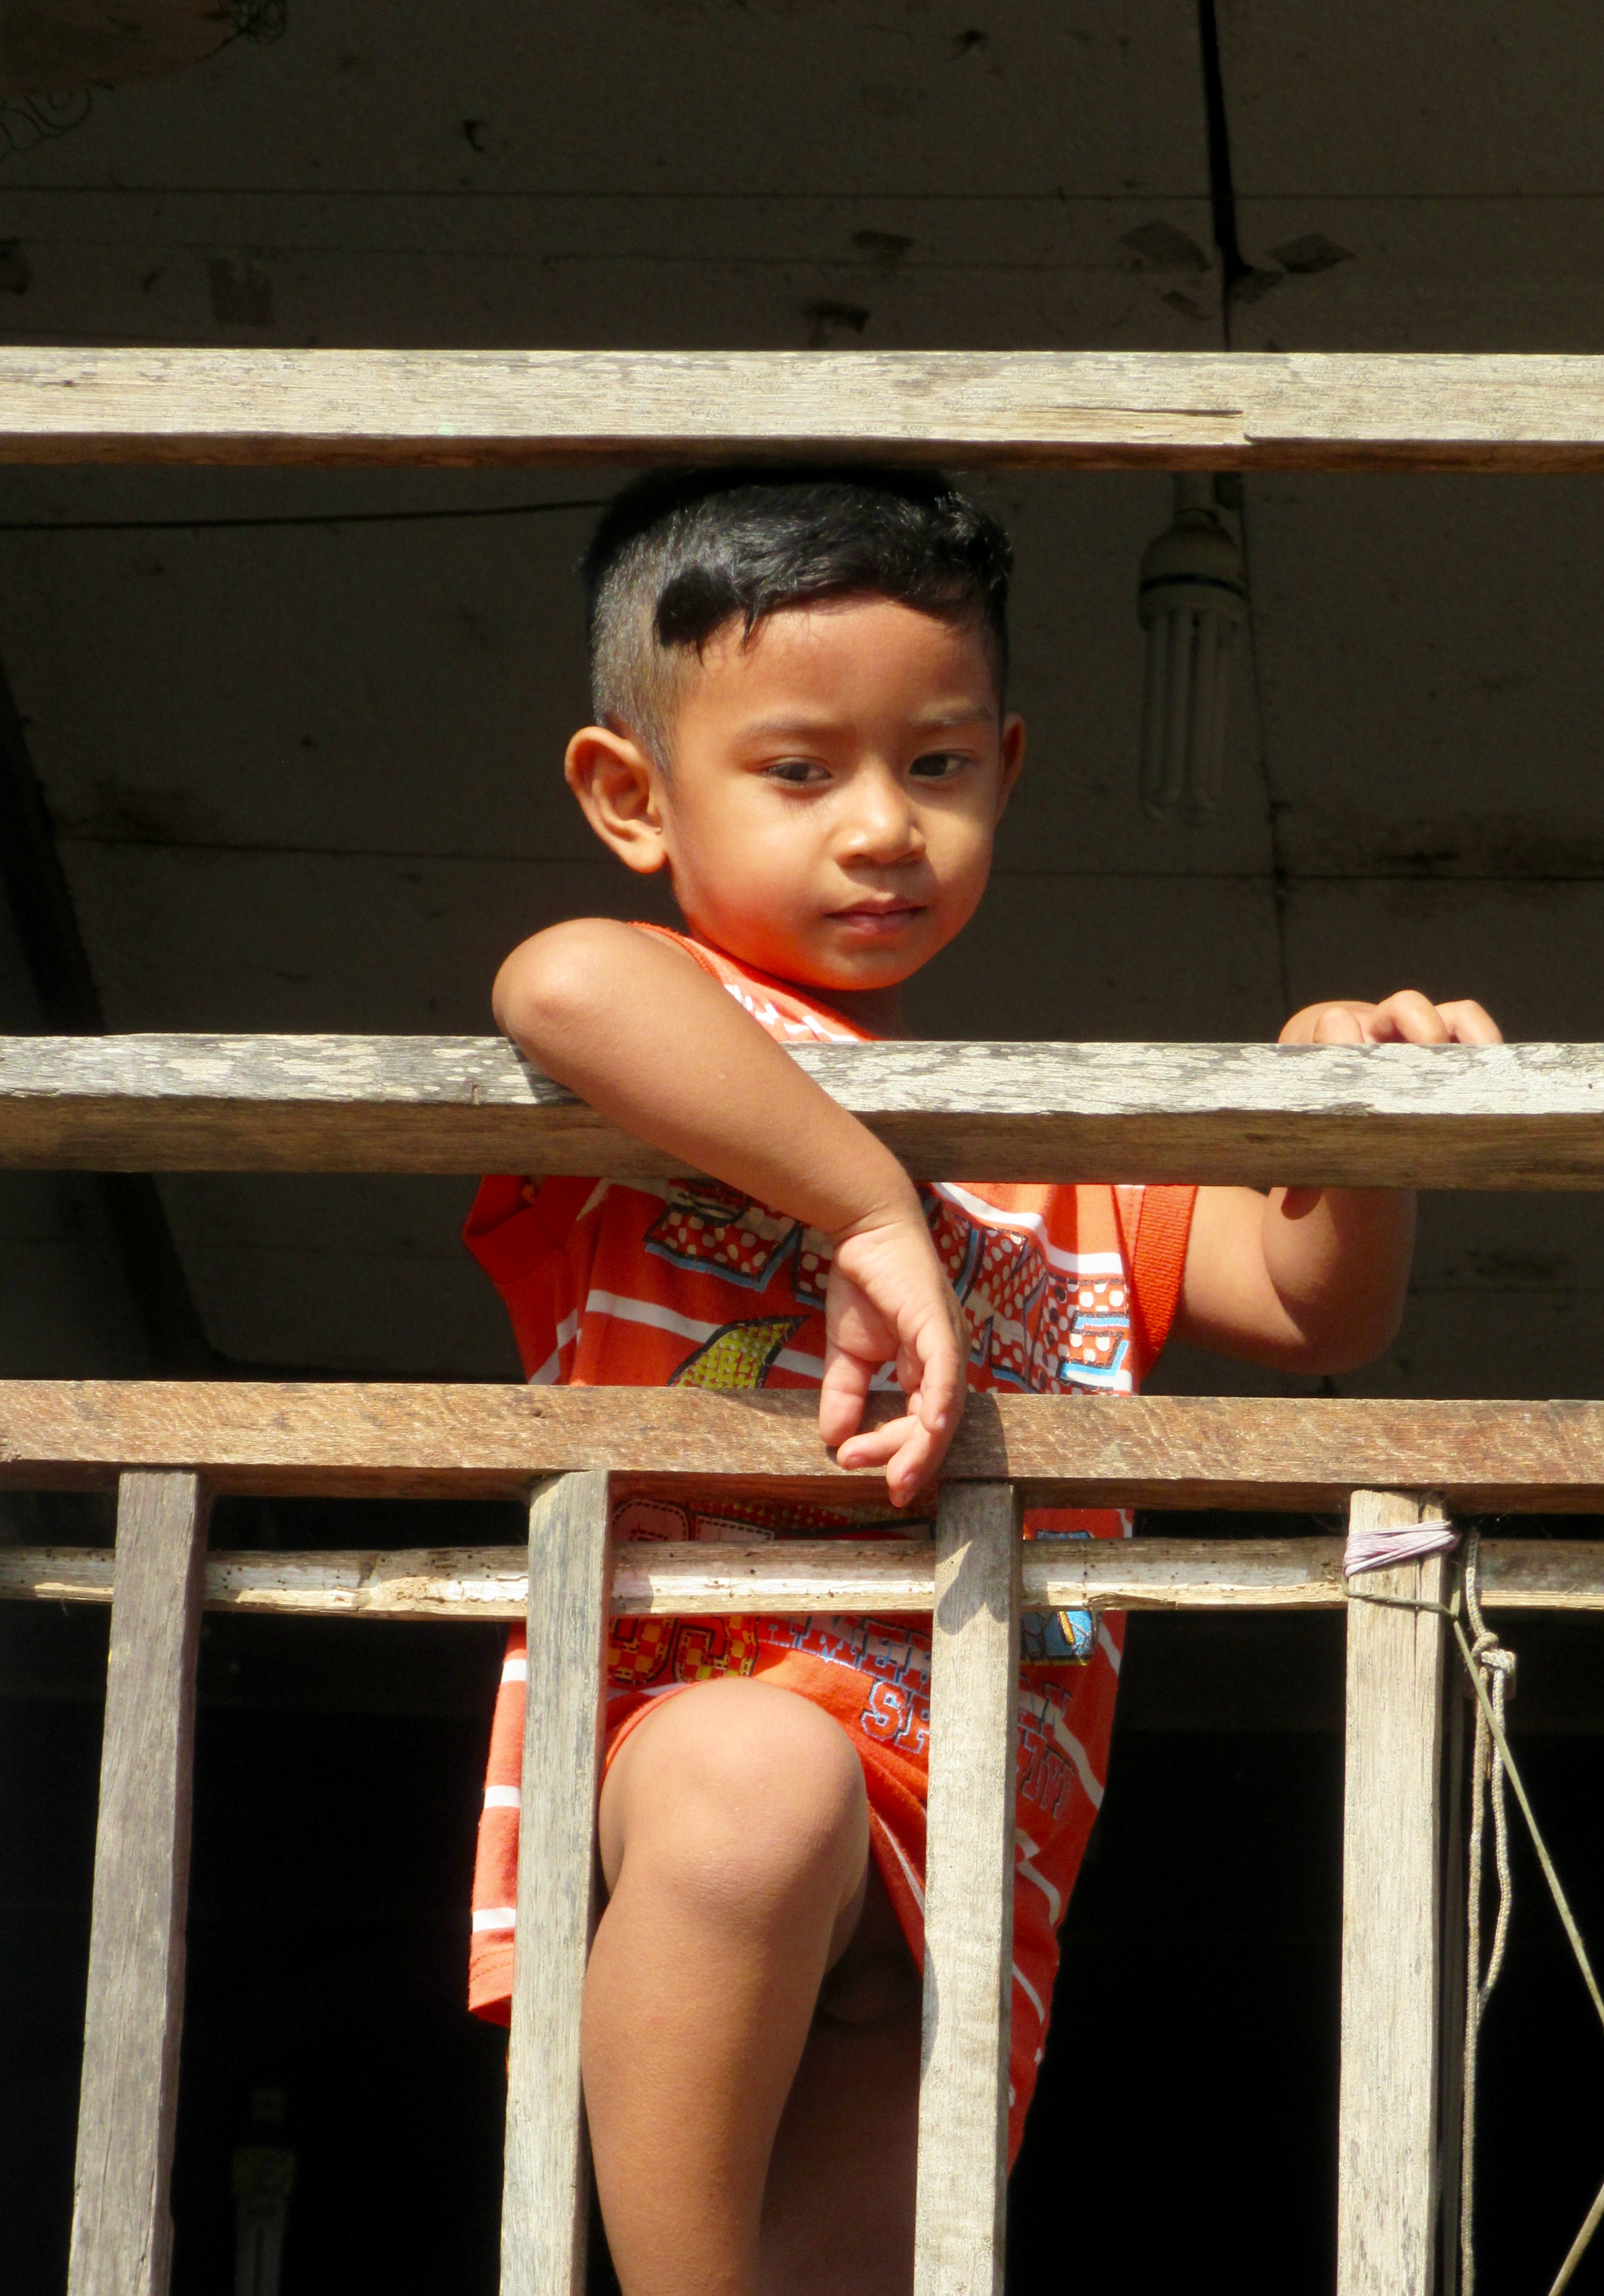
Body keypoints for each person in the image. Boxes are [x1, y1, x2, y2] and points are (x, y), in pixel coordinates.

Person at [463, 467, 1501, 2296]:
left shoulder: (1051, 1148)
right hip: (703, 1749)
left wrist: (1352, 1115)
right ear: (631, 797)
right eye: (800, 771)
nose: (883, 825)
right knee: (753, 1787)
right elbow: (559, 985)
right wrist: (864, 1206)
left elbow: (1312, 1309)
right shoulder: (675, 1054)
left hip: (969, 1826)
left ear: (1005, 770)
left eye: (935, 765)